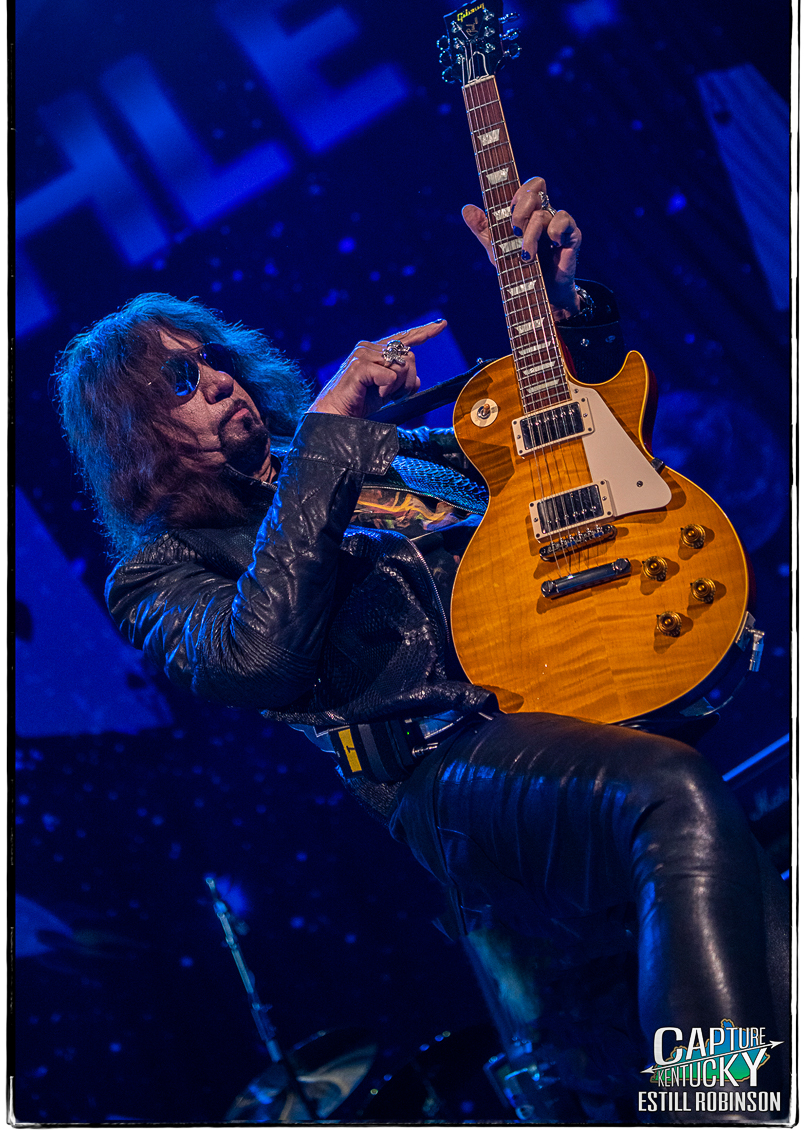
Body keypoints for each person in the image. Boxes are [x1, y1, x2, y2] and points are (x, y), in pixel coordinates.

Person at [55, 178, 788, 1121]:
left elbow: (565, 449)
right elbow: (255, 657)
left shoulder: (393, 455)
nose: (219, 380)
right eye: (178, 383)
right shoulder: (160, 570)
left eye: (211, 359)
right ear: (133, 437)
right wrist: (328, 436)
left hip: (567, 701)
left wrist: (560, 305)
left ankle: (762, 1101)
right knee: (670, 792)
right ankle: (712, 1107)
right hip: (445, 769)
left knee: (765, 934)